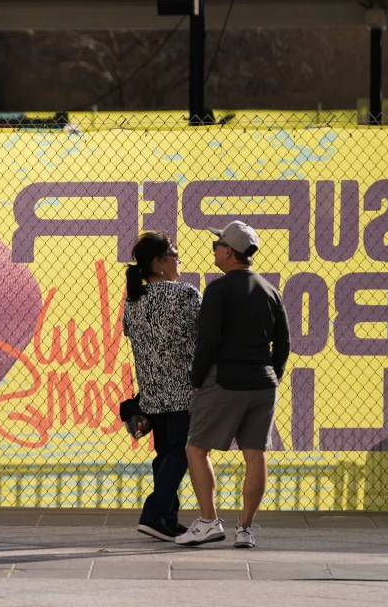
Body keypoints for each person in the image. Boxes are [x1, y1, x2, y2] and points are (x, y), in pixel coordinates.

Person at [175, 221, 290, 550]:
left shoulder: (219, 289)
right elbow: (282, 343)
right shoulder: (271, 290)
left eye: (217, 244)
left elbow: (208, 340)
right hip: (263, 384)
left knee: (196, 448)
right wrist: (273, 375)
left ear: (228, 251)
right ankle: (245, 528)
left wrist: (196, 380)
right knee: (255, 456)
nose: (214, 248)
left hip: (226, 381)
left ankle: (209, 521)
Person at [121, 231, 201, 542]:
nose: (179, 259)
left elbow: (135, 338)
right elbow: (208, 332)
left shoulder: (133, 300)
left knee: (165, 453)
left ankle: (167, 517)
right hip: (184, 389)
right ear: (159, 262)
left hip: (152, 392)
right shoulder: (184, 295)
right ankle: (154, 514)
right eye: (174, 255)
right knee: (182, 452)